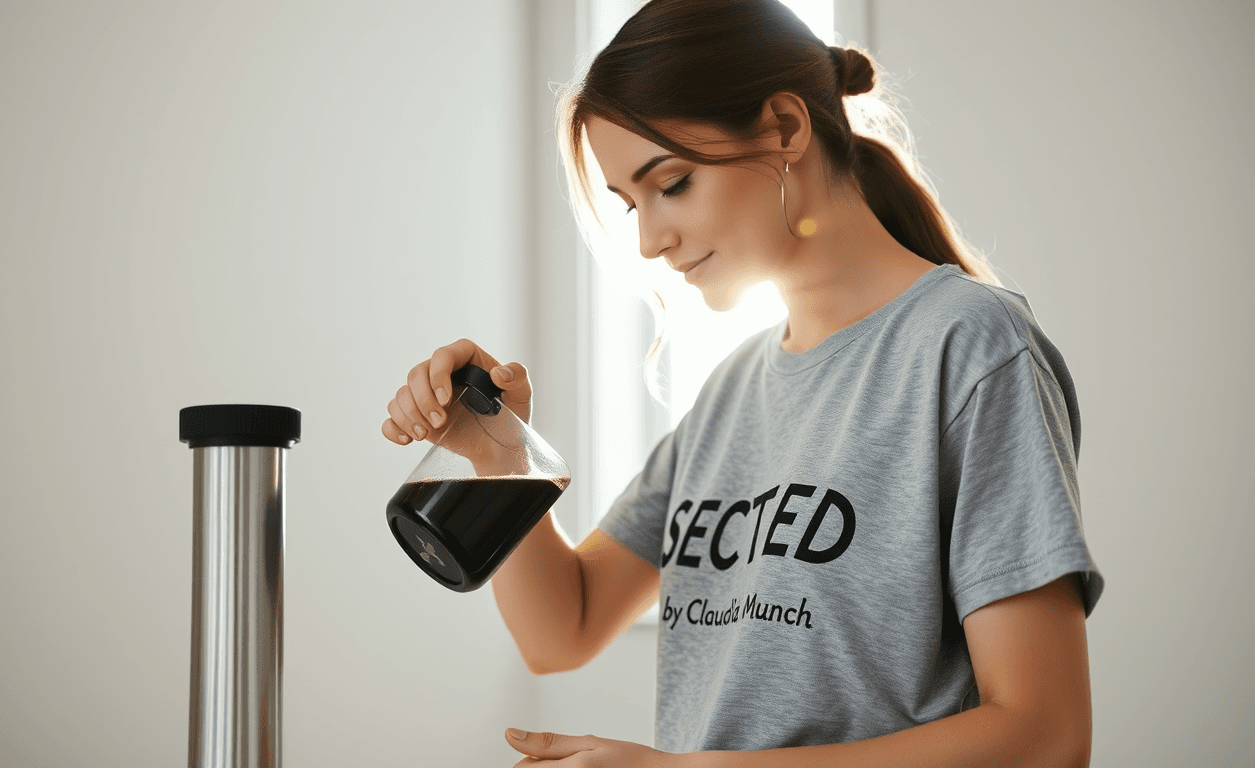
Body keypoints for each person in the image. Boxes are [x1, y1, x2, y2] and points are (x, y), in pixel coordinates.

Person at [381, 0, 1105, 765]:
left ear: (786, 129)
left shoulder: (968, 346)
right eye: (630, 204)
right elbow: (561, 629)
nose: (650, 240)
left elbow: (1044, 734)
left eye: (674, 183)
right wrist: (500, 454)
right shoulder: (731, 392)